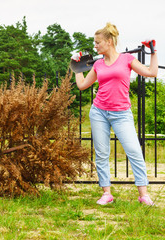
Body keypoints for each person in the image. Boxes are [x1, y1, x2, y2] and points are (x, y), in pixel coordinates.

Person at [71, 23, 158, 206]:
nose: (95, 46)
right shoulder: (98, 64)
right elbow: (82, 85)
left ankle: (143, 195)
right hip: (99, 112)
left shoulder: (126, 59)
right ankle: (106, 194)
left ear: (109, 42)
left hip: (121, 113)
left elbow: (151, 72)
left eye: (97, 42)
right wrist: (77, 68)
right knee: (102, 154)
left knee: (134, 151)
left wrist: (153, 52)